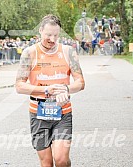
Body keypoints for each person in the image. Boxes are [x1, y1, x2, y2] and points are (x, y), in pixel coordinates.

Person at [15, 14, 85, 167]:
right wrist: (46, 90)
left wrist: (66, 89)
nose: (52, 40)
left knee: (61, 159)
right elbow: (19, 86)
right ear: (40, 31)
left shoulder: (68, 52)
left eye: (56, 35)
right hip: (38, 114)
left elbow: (80, 82)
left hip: (63, 112)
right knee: (47, 163)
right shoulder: (30, 53)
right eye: (48, 35)